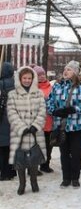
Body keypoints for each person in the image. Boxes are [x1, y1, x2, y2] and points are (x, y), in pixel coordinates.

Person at [47, 60, 81, 188]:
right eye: (65, 69)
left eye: (69, 69)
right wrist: (55, 111)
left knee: (76, 153)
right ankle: (66, 178)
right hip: (61, 126)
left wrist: (74, 109)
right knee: (64, 153)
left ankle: (75, 178)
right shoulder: (57, 86)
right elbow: (49, 102)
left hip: (76, 125)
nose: (66, 71)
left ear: (76, 73)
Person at [8, 66, 47, 195]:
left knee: (34, 157)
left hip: (35, 132)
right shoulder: (12, 94)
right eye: (24, 78)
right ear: (19, 78)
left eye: (29, 78)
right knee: (20, 158)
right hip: (20, 133)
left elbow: (42, 111)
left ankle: (34, 182)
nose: (27, 80)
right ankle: (22, 183)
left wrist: (36, 125)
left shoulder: (39, 93)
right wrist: (21, 127)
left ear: (33, 79)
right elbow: (11, 112)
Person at [32, 65, 54, 173]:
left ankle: (45, 165)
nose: (41, 77)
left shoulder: (51, 87)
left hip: (49, 122)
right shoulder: (32, 88)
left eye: (43, 74)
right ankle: (34, 167)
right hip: (37, 123)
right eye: (39, 75)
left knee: (48, 145)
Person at [0, 62, 16, 181]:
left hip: (2, 119)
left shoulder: (1, 84)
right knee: (11, 147)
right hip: (13, 118)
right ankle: (11, 171)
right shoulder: (16, 84)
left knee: (2, 148)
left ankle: (4, 173)